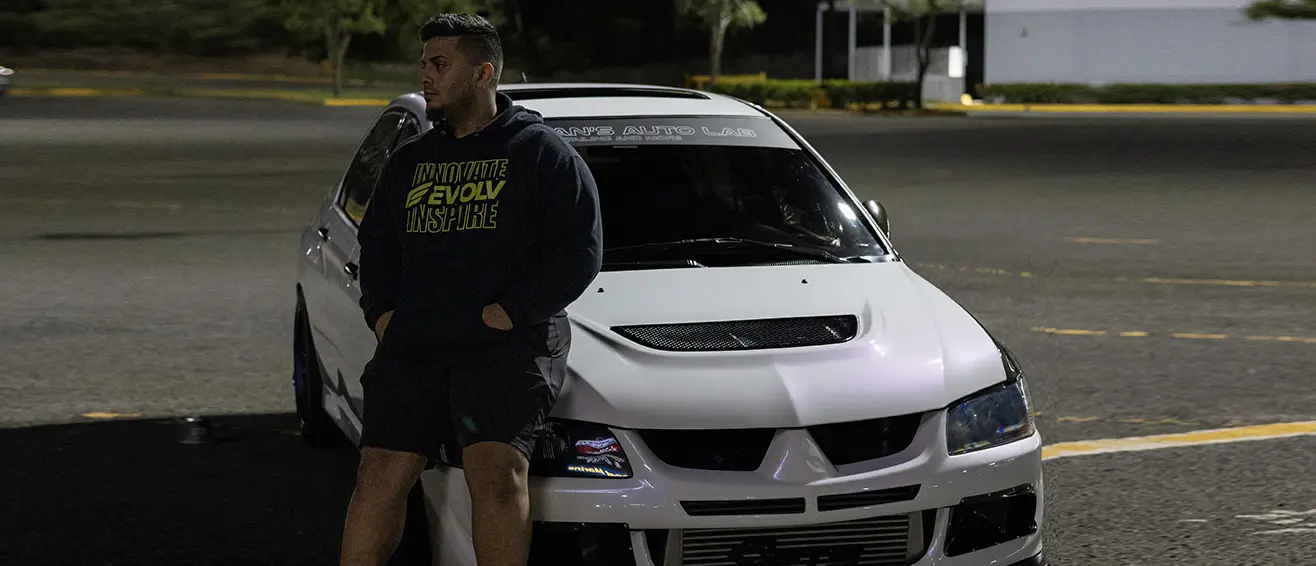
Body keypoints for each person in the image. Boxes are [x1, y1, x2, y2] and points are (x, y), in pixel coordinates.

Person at [340, 13, 603, 566]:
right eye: (424, 64)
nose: (426, 76)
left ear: (483, 73)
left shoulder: (540, 153)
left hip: (503, 344)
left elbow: (580, 250)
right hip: (416, 341)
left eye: (440, 64)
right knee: (379, 470)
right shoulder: (411, 160)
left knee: (497, 473)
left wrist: (511, 311)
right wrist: (383, 314)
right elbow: (377, 247)